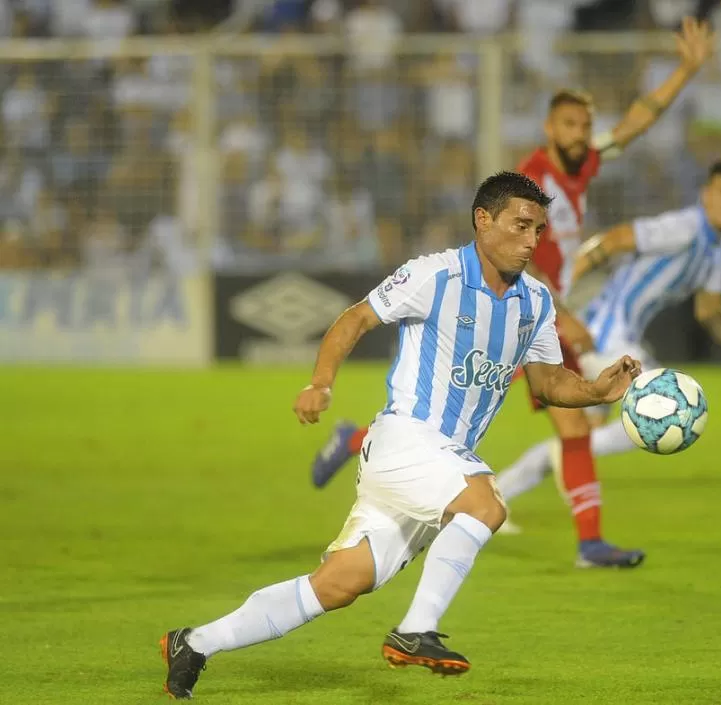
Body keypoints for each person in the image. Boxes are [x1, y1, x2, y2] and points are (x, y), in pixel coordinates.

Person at [159, 172, 641, 699]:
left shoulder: (536, 303)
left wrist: (596, 391)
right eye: (521, 226)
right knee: (486, 505)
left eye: (539, 230)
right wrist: (320, 384)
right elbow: (354, 320)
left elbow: (549, 382)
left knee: (339, 584)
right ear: (484, 220)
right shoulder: (432, 276)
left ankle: (195, 642)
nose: (532, 241)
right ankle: (414, 632)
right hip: (405, 439)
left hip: (437, 463)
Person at [312, 17, 715, 569]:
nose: (582, 133)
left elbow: (636, 123)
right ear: (550, 127)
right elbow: (519, 260)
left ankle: (357, 438)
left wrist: (687, 70)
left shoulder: (583, 164)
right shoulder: (534, 184)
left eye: (586, 124)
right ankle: (590, 543)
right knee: (538, 415)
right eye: (571, 124)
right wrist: (564, 313)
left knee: (543, 418)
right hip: (520, 310)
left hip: (540, 310)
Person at [494, 160, 721, 515]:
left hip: (618, 336)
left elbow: (709, 310)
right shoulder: (684, 227)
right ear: (706, 195)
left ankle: (496, 497)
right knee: (662, 407)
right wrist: (564, 289)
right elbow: (614, 240)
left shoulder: (718, 249)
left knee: (578, 437)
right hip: (606, 333)